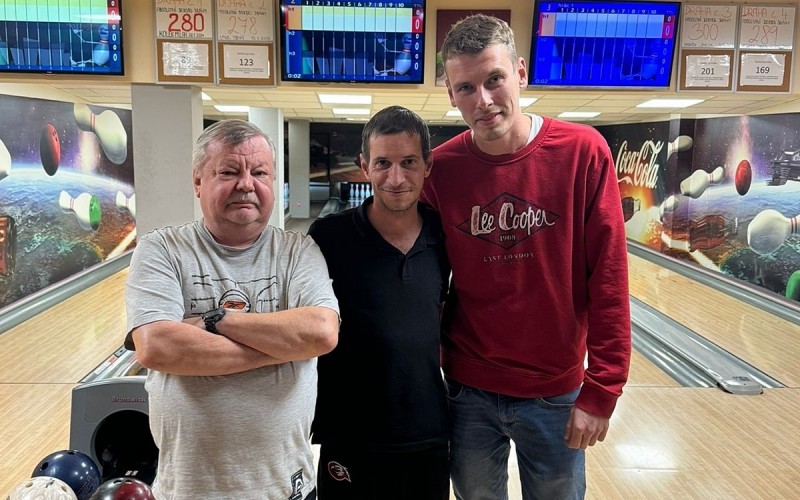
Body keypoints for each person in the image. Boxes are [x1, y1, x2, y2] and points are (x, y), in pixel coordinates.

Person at [421, 14, 632, 500]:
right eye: (466, 87)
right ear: (451, 94)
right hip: (467, 389)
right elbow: (426, 282)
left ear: (520, 73)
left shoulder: (582, 152)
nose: (483, 100)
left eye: (494, 79)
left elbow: (608, 278)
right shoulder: (442, 171)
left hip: (555, 391)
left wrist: (603, 388)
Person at [124, 119, 340, 500]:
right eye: (228, 172)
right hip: (188, 490)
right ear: (198, 182)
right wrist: (283, 348)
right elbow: (158, 346)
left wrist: (215, 321)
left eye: (260, 172)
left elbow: (320, 333)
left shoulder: (298, 252)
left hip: (286, 488)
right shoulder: (162, 250)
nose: (246, 184)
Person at [308, 105, 451, 500]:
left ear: (427, 165)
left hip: (427, 430)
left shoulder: (443, 234)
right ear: (364, 166)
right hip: (349, 432)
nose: (396, 178)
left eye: (409, 162)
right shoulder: (328, 236)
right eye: (383, 163)